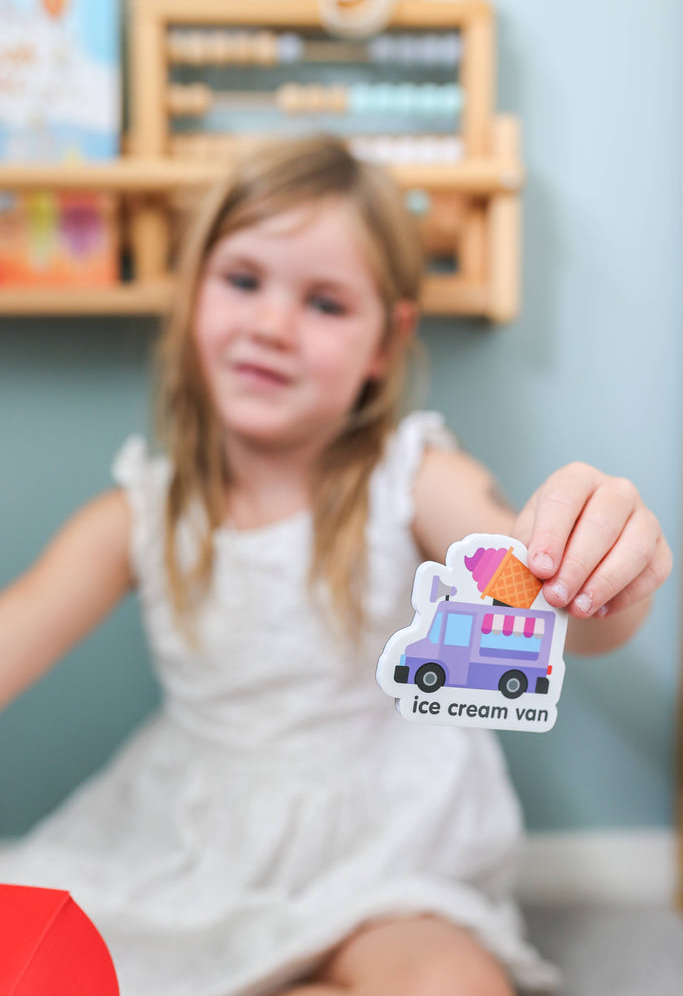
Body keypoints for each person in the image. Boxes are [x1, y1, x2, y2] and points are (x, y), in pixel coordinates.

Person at [0, 135, 671, 996]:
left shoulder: (414, 481)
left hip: (385, 855)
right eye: (242, 280)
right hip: (191, 841)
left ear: (384, 343)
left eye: (324, 303)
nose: (271, 326)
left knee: (449, 984)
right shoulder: (136, 515)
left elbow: (559, 614)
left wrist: (600, 567)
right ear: (193, 291)